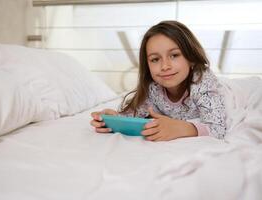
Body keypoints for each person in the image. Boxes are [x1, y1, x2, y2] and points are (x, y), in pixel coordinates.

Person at [90, 20, 226, 141]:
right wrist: (113, 119)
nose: (165, 66)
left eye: (174, 55)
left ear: (190, 58)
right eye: (155, 59)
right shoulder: (153, 87)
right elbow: (134, 115)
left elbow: (218, 129)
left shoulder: (202, 81)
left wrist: (181, 128)